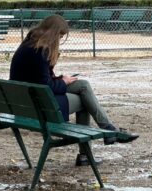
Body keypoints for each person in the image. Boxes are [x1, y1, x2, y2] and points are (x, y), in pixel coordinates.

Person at [9, 15, 138, 166]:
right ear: (53, 33)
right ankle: (89, 151)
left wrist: (61, 79)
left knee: (82, 85)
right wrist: (62, 82)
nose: (59, 40)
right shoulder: (41, 51)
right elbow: (47, 86)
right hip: (39, 105)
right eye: (60, 35)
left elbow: (38, 79)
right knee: (84, 102)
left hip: (25, 102)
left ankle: (108, 129)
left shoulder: (28, 45)